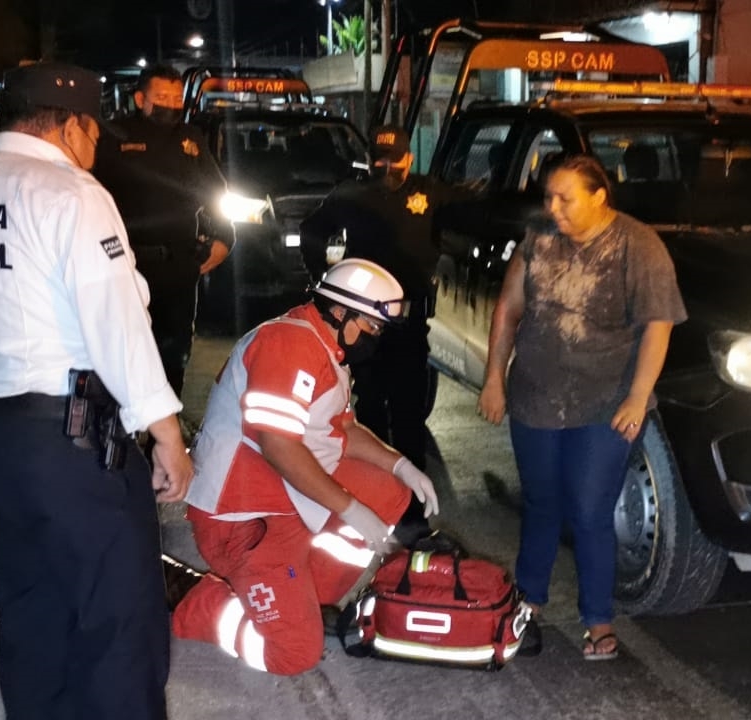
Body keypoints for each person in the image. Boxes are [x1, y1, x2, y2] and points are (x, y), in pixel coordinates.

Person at [0, 62, 194, 719]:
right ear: (72, 124)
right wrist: (165, 429)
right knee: (116, 611)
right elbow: (114, 318)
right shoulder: (71, 193)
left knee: (32, 600)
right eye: (94, 132)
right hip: (71, 430)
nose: (97, 147)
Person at [170, 257, 439, 676]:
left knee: (388, 488)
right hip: (243, 520)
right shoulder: (288, 344)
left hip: (283, 499)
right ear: (340, 311)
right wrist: (351, 509)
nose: (375, 337)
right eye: (371, 326)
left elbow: (343, 430)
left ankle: (305, 595)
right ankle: (193, 599)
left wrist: (401, 464)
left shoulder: (324, 349)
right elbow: (279, 446)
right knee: (295, 653)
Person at [477, 154, 686, 661]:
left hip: (604, 403)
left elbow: (659, 325)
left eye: (564, 198)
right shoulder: (538, 237)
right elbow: (509, 308)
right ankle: (528, 604)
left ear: (599, 197)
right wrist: (494, 380)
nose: (553, 208)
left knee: (591, 511)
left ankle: (597, 619)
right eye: (548, 196)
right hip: (535, 396)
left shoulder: (639, 247)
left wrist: (638, 396)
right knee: (541, 503)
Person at [300, 125, 468, 479]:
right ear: (368, 159)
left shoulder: (429, 192)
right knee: (369, 417)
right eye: (379, 160)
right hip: (363, 329)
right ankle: (373, 497)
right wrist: (324, 279)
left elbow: (472, 215)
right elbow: (312, 231)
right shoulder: (352, 193)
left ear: (410, 159)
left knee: (409, 417)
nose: (387, 168)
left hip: (409, 326)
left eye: (395, 161)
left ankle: (411, 511)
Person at [94, 64, 233, 396]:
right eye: (162, 97)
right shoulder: (113, 135)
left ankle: (164, 433)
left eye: (175, 97)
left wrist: (225, 237)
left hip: (178, 265)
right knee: (123, 352)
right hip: (126, 264)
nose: (170, 104)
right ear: (141, 98)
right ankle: (124, 434)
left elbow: (215, 191)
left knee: (174, 355)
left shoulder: (190, 138)